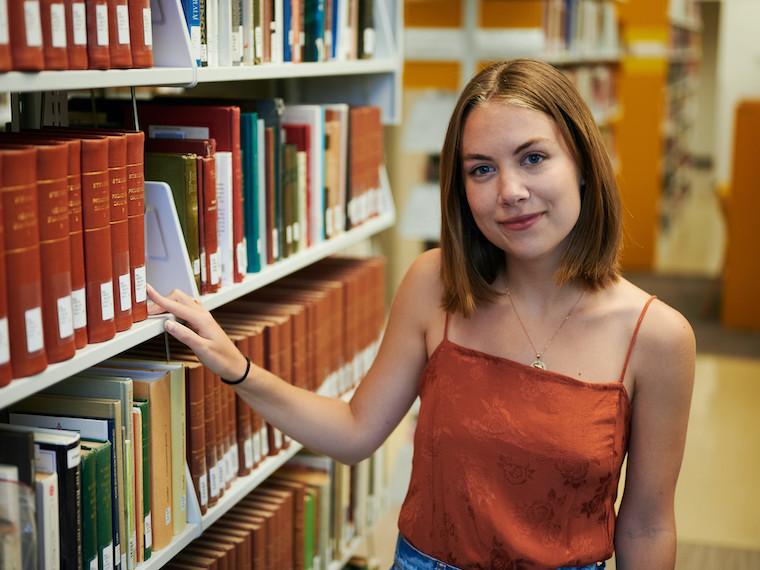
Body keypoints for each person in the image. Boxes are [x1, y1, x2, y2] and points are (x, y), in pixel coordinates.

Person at [147, 59, 695, 569]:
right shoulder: (435, 285)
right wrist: (236, 367)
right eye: (481, 170)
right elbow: (356, 431)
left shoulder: (657, 338)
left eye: (533, 158)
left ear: (582, 163)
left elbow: (646, 523)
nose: (510, 191)